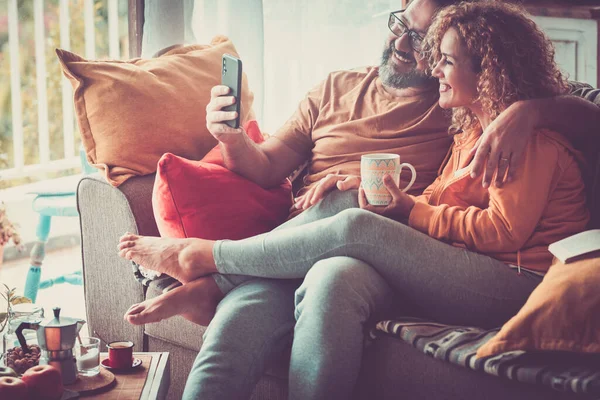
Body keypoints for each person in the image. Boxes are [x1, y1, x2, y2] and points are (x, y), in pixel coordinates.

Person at [120, 0, 599, 399]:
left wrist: (532, 111)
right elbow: (266, 165)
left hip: (467, 265)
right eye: (401, 26)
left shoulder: (475, 118)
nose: (408, 47)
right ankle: (223, 279)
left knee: (351, 222)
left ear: (481, 66)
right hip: (296, 245)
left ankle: (209, 263)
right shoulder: (373, 97)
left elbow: (514, 214)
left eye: (431, 45)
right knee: (319, 279)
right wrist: (227, 137)